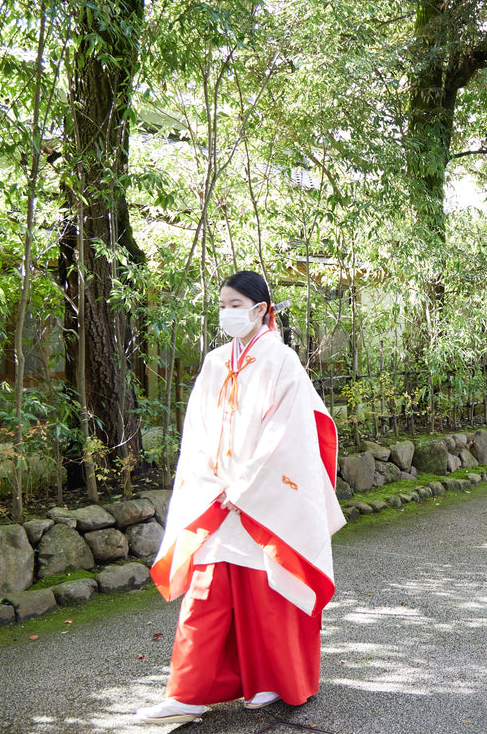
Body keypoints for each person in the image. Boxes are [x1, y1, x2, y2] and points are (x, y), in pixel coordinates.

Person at [139, 271, 347, 724]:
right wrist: (209, 481)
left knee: (265, 589)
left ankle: (270, 681)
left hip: (259, 495)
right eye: (223, 304)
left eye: (236, 304)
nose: (228, 312)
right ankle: (187, 693)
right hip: (216, 493)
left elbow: (287, 433)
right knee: (206, 591)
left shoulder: (283, 361)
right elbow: (196, 430)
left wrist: (247, 486)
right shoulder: (215, 362)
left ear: (261, 309)